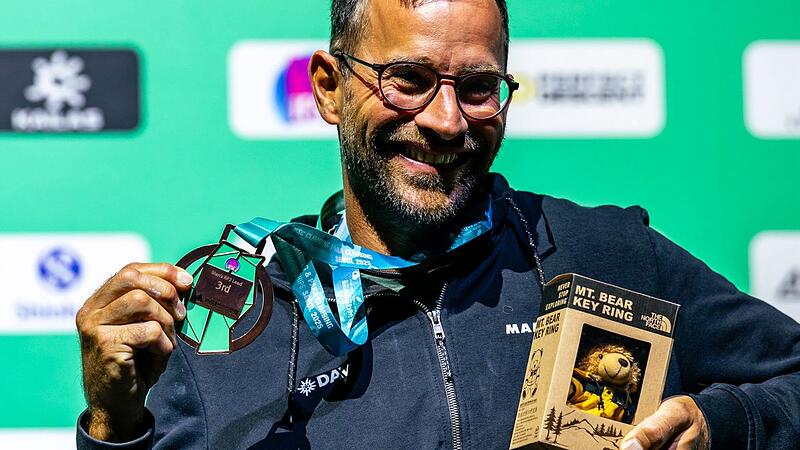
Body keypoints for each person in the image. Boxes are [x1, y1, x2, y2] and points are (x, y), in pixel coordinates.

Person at [75, 1, 800, 449]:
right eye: (409, 80)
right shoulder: (224, 316)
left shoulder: (607, 253)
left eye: (479, 87)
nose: (446, 121)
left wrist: (727, 428)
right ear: (329, 87)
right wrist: (114, 427)